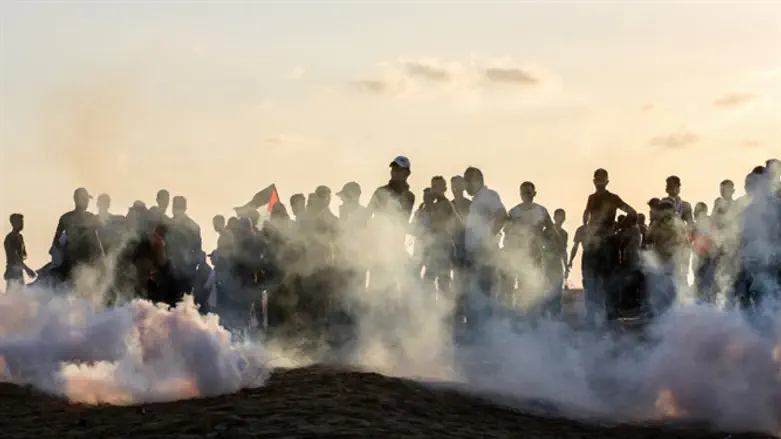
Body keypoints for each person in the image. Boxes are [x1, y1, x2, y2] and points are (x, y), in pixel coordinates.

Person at [581, 169, 635, 325]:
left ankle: (611, 316)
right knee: (590, 278)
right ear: (594, 181)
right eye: (596, 180)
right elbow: (586, 213)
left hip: (608, 243)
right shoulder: (591, 198)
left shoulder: (613, 198)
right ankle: (591, 316)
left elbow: (632, 212)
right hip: (593, 243)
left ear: (606, 181)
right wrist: (585, 226)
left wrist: (618, 227)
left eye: (602, 180)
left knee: (609, 279)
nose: (599, 182)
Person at [462, 166, 507, 335]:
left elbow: (502, 214)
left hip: (484, 255)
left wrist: (487, 240)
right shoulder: (477, 200)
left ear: (476, 180)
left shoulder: (488, 195)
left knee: (483, 294)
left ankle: (485, 336)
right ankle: (477, 334)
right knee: (474, 295)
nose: (465, 186)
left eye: (467, 182)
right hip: (474, 255)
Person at [503, 181, 556, 304]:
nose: (526, 195)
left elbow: (551, 231)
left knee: (534, 285)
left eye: (528, 192)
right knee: (520, 285)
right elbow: (507, 232)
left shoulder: (541, 210)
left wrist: (548, 244)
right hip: (518, 255)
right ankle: (520, 315)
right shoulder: (514, 212)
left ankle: (534, 315)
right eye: (523, 193)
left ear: (534, 193)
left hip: (536, 253)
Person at [51, 187, 102, 283]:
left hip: (82, 261)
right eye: (85, 199)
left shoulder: (89, 218)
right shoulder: (69, 218)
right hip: (79, 261)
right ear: (78, 200)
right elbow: (56, 242)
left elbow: (56, 243)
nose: (87, 202)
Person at [166, 196, 203, 305]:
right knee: (182, 306)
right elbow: (198, 251)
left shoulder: (169, 224)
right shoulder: (193, 226)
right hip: (184, 271)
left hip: (174, 271)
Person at [4, 214, 36, 291]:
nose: (22, 224)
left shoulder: (20, 237)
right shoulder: (10, 238)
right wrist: (27, 269)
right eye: (20, 222)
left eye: (22, 222)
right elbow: (14, 257)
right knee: (12, 296)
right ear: (13, 223)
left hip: (19, 271)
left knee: (20, 295)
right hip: (12, 272)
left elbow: (23, 255)